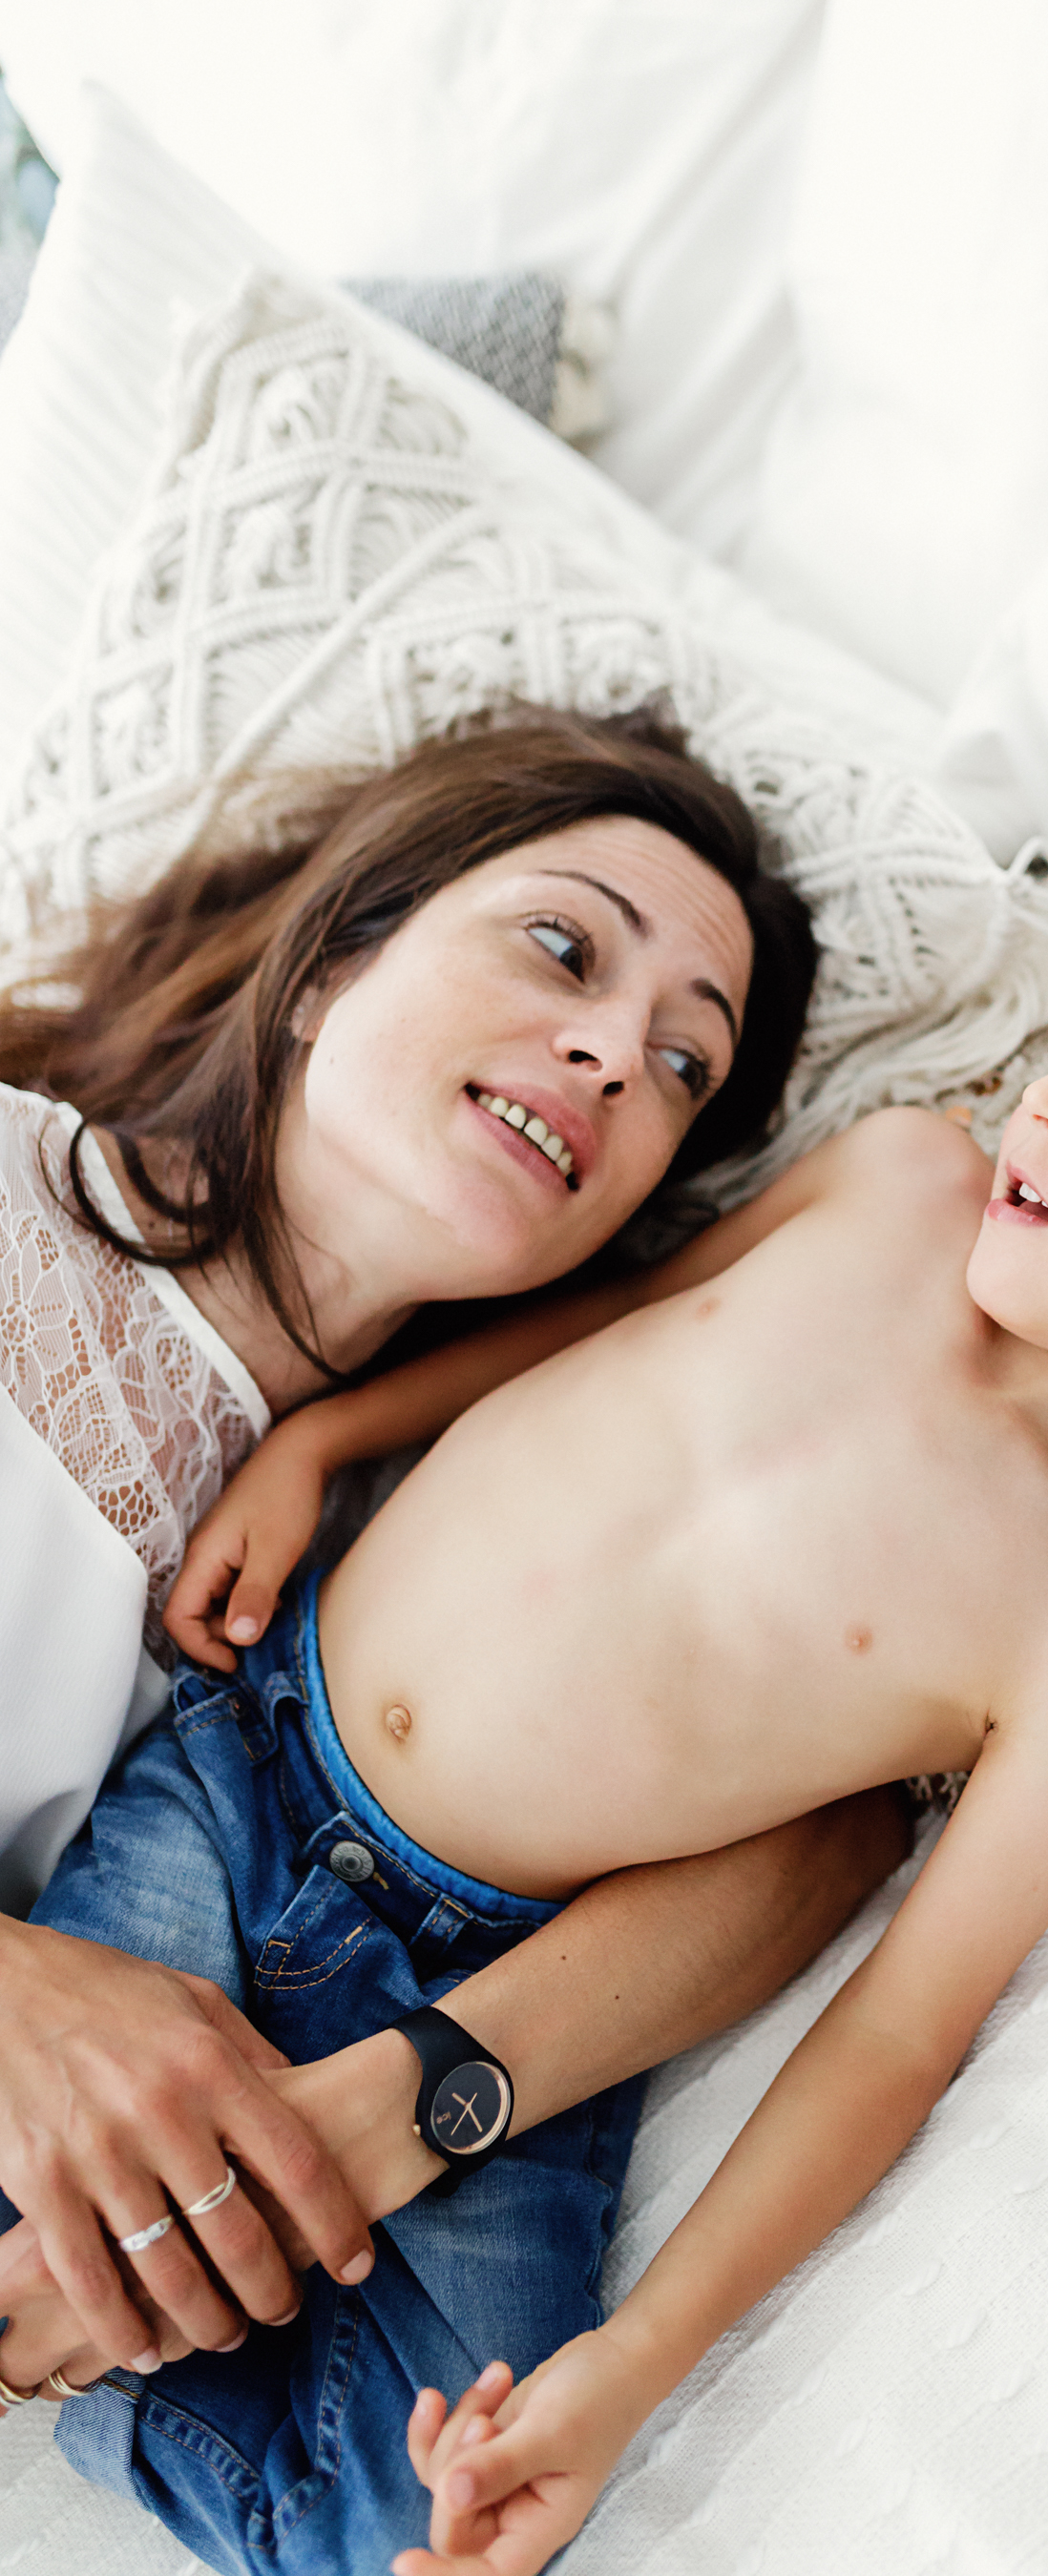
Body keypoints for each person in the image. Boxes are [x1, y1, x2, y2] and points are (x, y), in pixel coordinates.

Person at [3, 840, 1048, 2576]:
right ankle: (131, 2286)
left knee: (408, 2505)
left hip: (510, 1974)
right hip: (248, 1759)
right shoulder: (901, 1181)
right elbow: (619, 1313)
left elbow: (896, 2036)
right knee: (50, 2156)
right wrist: (330, 1439)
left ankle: (133, 2335)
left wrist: (637, 2364)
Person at [0, 703, 908, 2412]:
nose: (618, 1055)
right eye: (563, 947)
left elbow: (830, 1825)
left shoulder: (458, 1517)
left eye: (686, 1066)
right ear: (338, 953)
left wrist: (411, 2103)